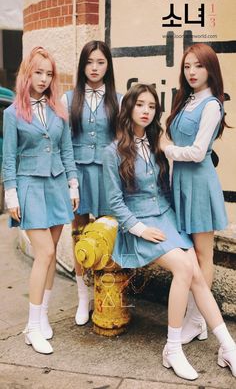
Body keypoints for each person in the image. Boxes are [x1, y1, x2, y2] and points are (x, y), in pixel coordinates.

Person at [102, 83, 236, 381]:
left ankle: (228, 347)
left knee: (198, 274)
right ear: (129, 108)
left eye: (151, 106)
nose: (146, 111)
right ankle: (173, 348)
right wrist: (139, 228)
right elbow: (114, 202)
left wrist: (173, 222)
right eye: (140, 105)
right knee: (184, 269)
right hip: (140, 225)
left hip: (166, 219)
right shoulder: (112, 151)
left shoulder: (157, 144)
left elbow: (164, 190)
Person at [2, 47, 79, 355]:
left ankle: (43, 314)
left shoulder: (58, 109)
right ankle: (32, 327)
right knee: (45, 252)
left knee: (47, 256)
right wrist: (11, 193)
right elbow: (8, 158)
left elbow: (66, 150)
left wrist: (73, 185)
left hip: (57, 185)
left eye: (49, 74)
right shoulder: (12, 113)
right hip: (30, 185)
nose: (44, 79)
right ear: (27, 73)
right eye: (39, 72)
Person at [163, 43, 228, 344]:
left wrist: (168, 150)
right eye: (187, 66)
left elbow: (199, 152)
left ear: (210, 69)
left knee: (203, 254)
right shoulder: (185, 99)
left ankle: (198, 319)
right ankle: (195, 317)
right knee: (188, 254)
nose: (191, 72)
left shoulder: (212, 105)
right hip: (180, 184)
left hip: (199, 185)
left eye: (198, 66)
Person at [61, 40, 122, 325]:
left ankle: (106, 293)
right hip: (79, 174)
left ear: (108, 66)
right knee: (80, 234)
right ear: (82, 65)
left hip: (108, 175)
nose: (94, 68)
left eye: (100, 62)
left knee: (108, 232)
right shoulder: (68, 98)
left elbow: (123, 144)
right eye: (89, 62)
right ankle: (82, 296)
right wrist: (69, 180)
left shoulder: (118, 99)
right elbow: (64, 144)